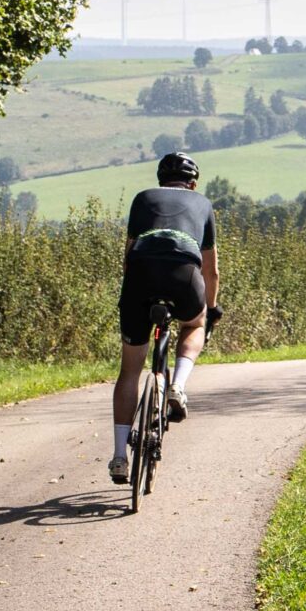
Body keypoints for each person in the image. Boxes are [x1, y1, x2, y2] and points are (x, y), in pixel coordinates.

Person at [110, 152, 220, 484]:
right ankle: (177, 386)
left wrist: (132, 296)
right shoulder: (203, 204)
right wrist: (210, 310)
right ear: (193, 183)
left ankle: (118, 456)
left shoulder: (142, 199)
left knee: (129, 371)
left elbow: (128, 257)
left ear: (161, 181)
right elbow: (211, 271)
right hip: (183, 276)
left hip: (140, 277)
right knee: (195, 323)